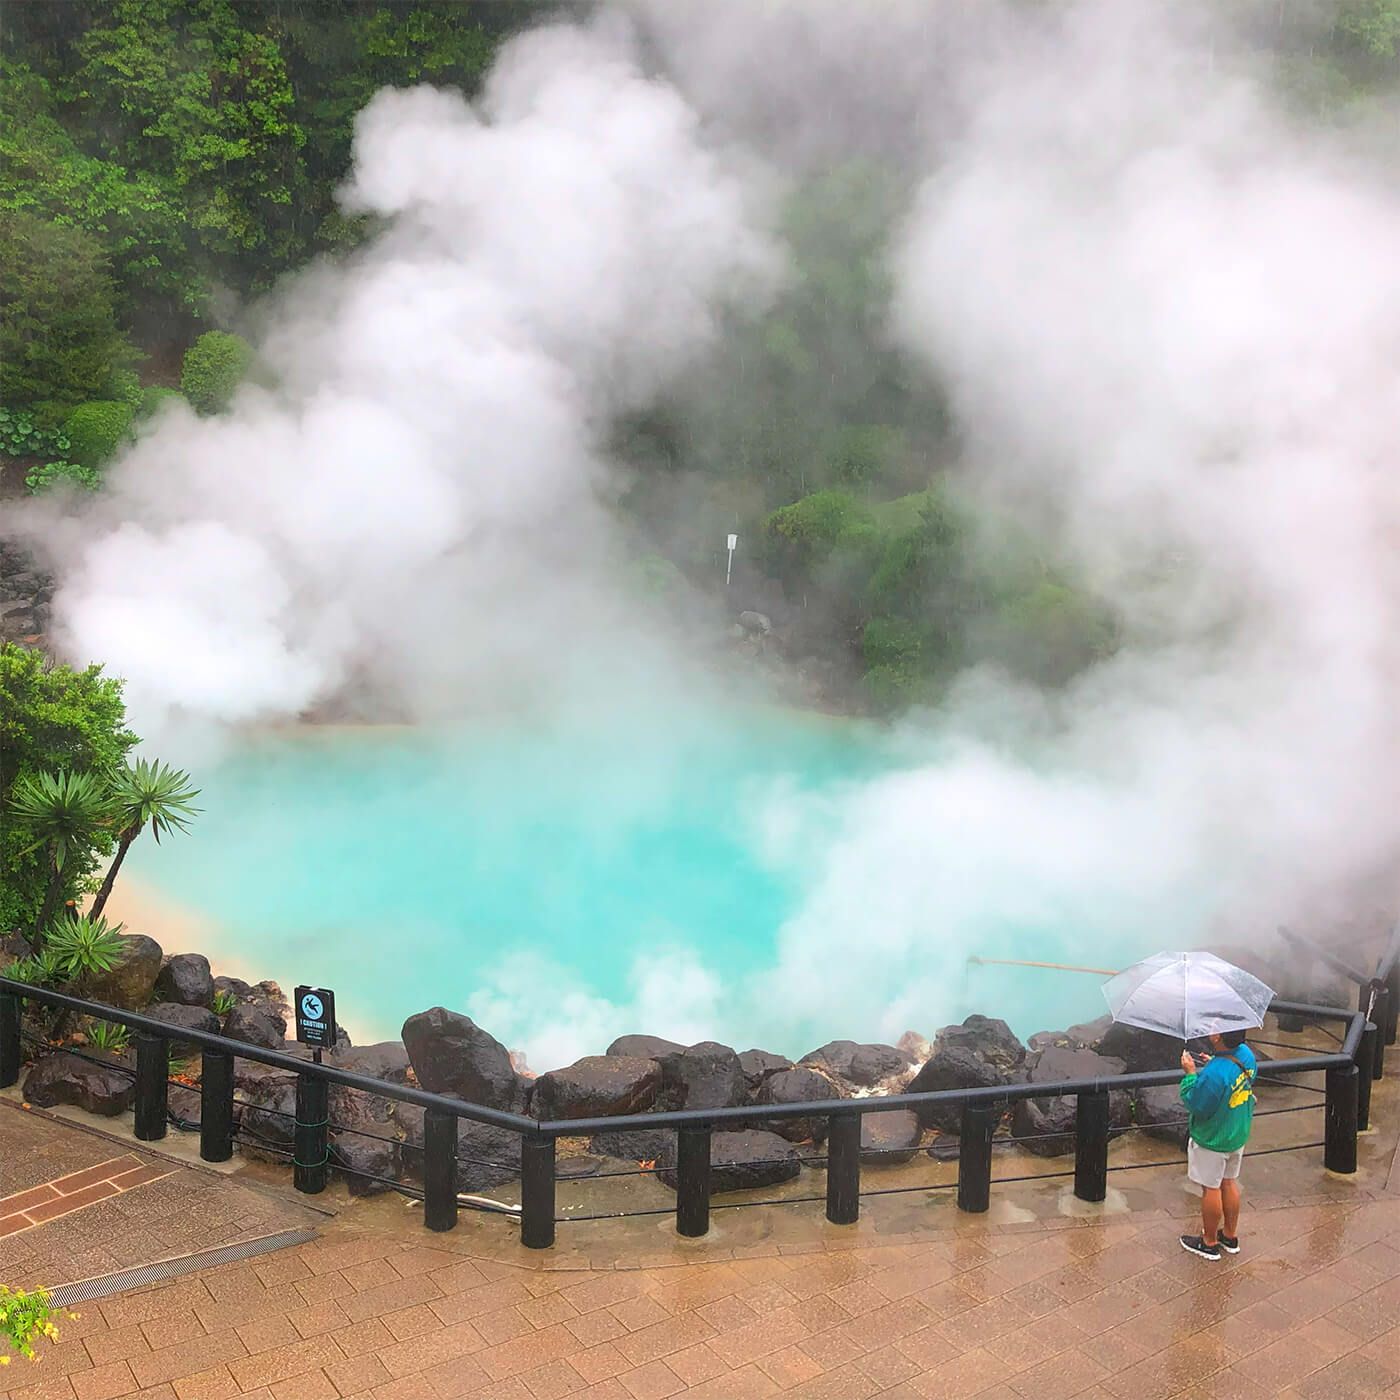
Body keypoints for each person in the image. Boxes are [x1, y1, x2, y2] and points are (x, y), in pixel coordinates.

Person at [1178, 1027, 1257, 1260]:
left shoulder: (1214, 1074)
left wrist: (1190, 1075)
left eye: (1214, 1027)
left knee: (1210, 1188)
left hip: (1214, 1137)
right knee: (1229, 1182)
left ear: (1217, 1037)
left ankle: (1209, 1242)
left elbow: (1197, 1105)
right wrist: (1215, 1062)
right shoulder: (1246, 1055)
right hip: (1236, 1131)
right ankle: (1230, 1236)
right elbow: (1241, 1076)